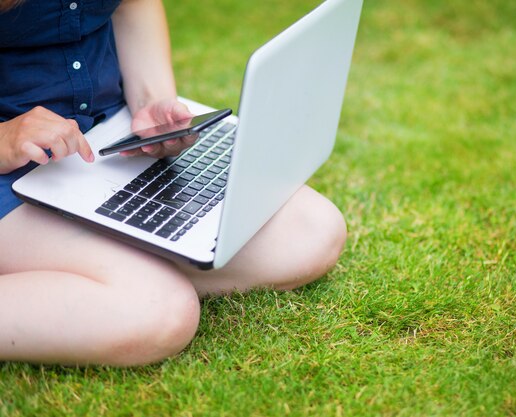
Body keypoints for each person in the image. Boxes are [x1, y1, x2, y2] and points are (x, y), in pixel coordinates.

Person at [0, 0, 347, 366]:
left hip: (105, 142)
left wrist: (151, 104)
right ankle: (119, 272)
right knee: (161, 311)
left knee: (313, 232)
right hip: (12, 175)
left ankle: (109, 266)